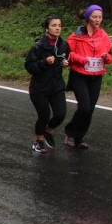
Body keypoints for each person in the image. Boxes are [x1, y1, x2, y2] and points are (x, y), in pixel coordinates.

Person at [64, 5, 112, 149]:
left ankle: (79, 137)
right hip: (79, 75)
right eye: (94, 17)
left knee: (90, 109)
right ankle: (71, 133)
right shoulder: (77, 35)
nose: (97, 20)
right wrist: (82, 59)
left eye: (100, 17)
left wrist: (106, 57)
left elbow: (110, 57)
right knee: (84, 107)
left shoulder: (104, 36)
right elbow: (68, 54)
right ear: (87, 18)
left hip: (96, 76)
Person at [24, 15, 70, 154]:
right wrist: (44, 62)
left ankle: (47, 132)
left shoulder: (63, 45)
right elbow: (29, 66)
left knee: (60, 115)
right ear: (47, 28)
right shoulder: (38, 46)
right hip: (39, 88)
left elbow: (64, 58)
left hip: (56, 86)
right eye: (54, 25)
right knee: (44, 116)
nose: (57, 28)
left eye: (59, 25)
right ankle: (38, 141)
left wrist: (65, 63)